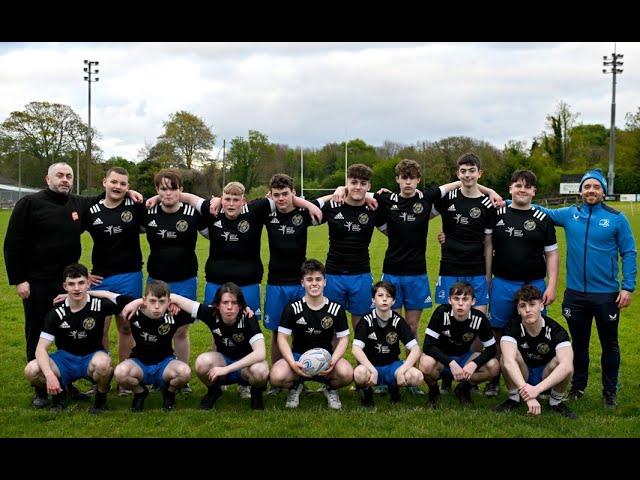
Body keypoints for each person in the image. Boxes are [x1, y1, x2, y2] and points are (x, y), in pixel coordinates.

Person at [4, 162, 140, 407]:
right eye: (60, 175)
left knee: (68, 332)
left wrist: (128, 192)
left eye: (69, 176)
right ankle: (42, 391)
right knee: (37, 330)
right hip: (37, 282)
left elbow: (108, 194)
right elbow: (12, 243)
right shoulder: (30, 203)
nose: (64, 180)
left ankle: (66, 383)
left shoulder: (76, 203)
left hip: (69, 283)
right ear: (48, 178)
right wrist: (19, 280)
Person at [533, 168, 637, 409]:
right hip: (575, 294)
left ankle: (609, 391)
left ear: (603, 191)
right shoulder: (570, 214)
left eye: (596, 187)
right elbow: (542, 212)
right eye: (587, 187)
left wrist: (628, 287)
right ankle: (578, 387)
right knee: (578, 344)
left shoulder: (616, 218)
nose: (591, 190)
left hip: (606, 295)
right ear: (580, 191)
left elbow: (629, 253)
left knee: (609, 344)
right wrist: (508, 200)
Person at [482, 170, 558, 397]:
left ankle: (540, 380)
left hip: (534, 283)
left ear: (534, 191)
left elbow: (552, 255)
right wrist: (487, 279)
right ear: (510, 189)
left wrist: (552, 284)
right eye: (518, 185)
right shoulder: (497, 213)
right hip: (503, 283)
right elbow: (487, 246)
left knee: (535, 330)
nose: (522, 190)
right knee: (497, 330)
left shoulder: (543, 220)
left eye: (527, 186)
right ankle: (494, 378)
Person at [23, 263, 121, 413]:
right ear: (64, 286)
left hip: (91, 357)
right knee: (31, 370)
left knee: (104, 365)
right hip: (65, 359)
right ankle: (60, 395)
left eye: (81, 283)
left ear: (88, 283)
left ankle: (100, 399)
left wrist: (101, 293)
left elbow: (126, 301)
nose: (76, 288)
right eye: (71, 284)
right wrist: (49, 375)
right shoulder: (56, 312)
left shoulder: (100, 305)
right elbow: (40, 348)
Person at [142, 168, 207, 394]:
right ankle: (153, 372)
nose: (167, 193)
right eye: (162, 189)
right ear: (157, 190)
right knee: (155, 328)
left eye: (172, 188)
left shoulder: (193, 213)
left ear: (180, 190)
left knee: (180, 331)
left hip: (185, 280)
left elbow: (212, 228)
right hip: (156, 280)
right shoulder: (148, 212)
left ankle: (182, 377)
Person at [82, 166, 146, 395]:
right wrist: (83, 274)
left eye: (123, 184)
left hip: (130, 275)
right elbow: (70, 238)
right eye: (114, 182)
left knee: (127, 327)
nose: (118, 186)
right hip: (101, 277)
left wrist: (134, 194)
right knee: (99, 328)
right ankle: (103, 379)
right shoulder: (91, 209)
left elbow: (159, 208)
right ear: (104, 182)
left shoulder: (135, 205)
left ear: (128, 187)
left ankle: (124, 380)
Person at [94, 280, 194, 412]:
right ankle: (140, 392)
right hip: (139, 364)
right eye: (152, 301)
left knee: (185, 373)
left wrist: (176, 301)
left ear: (169, 301)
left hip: (165, 364)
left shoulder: (175, 313)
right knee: (120, 373)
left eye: (162, 302)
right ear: (144, 300)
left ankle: (169, 392)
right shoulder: (133, 308)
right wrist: (70, 295)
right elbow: (107, 294)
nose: (157, 306)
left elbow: (200, 308)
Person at [269, 259, 353, 410]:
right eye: (309, 279)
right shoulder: (292, 308)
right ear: (302, 283)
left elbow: (344, 338)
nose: (314, 283)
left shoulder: (335, 309)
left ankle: (329, 388)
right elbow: (281, 338)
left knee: (347, 374)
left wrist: (333, 360)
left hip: (326, 359)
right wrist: (292, 363)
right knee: (276, 376)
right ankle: (296, 386)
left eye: (318, 279)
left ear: (325, 282)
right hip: (298, 358)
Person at [169, 283, 269, 410]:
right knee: (202, 363)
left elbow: (260, 353)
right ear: (217, 305)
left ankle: (256, 393)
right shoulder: (211, 313)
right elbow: (174, 297)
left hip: (246, 367)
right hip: (223, 361)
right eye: (225, 302)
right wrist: (137, 302)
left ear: (240, 305)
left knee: (261, 371)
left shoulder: (248, 317)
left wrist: (226, 370)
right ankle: (214, 391)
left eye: (234, 303)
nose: (229, 307)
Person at [262, 174, 322, 368]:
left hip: (299, 282)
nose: (281, 198)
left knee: (301, 331)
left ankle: (301, 375)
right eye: (276, 194)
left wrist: (307, 203)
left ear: (293, 193)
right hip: (275, 283)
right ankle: (278, 378)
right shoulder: (267, 213)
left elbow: (325, 202)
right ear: (270, 195)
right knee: (277, 333)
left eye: (285, 194)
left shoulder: (303, 213)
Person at [494, 285, 576, 418]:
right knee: (506, 357)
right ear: (518, 309)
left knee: (566, 365)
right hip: (523, 373)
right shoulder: (512, 327)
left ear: (541, 306)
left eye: (532, 304)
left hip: (546, 374)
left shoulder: (556, 330)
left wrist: (536, 390)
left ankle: (555, 401)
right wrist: (528, 394)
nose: (527, 310)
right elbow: (508, 362)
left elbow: (566, 366)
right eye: (522, 306)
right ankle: (514, 398)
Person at [320, 164, 385, 329]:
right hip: (334, 275)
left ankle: (359, 356)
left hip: (361, 275)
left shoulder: (374, 208)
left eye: (363, 183)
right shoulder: (332, 206)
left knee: (362, 327)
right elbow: (305, 209)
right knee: (332, 327)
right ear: (347, 183)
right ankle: (333, 356)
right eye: (354, 182)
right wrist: (338, 191)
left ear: (369, 186)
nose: (358, 186)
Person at [433, 153, 496, 315]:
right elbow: (421, 209)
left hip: (477, 270)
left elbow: (488, 243)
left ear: (480, 173)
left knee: (478, 321)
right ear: (457, 174)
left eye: (472, 170)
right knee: (446, 321)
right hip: (450, 268)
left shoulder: (488, 204)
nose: (467, 175)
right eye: (463, 171)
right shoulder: (447, 198)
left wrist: (488, 276)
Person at [418, 282, 499, 408]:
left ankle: (463, 389)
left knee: (493, 366)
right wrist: (450, 363)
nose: (460, 303)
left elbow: (492, 349)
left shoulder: (479, 318)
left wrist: (474, 363)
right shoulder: (441, 313)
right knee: (425, 363)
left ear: (473, 301)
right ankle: (434, 391)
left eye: (465, 299)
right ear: (449, 300)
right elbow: (428, 346)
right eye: (456, 299)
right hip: (441, 361)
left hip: (464, 359)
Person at [352, 280, 423, 408]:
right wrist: (372, 369)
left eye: (388, 296)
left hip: (392, 366)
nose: (384, 299)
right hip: (372, 366)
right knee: (359, 373)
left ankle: (393, 388)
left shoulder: (398, 321)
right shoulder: (366, 320)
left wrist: (402, 370)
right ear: (373, 300)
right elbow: (356, 349)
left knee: (416, 376)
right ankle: (367, 394)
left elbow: (416, 349)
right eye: (380, 296)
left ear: (394, 301)